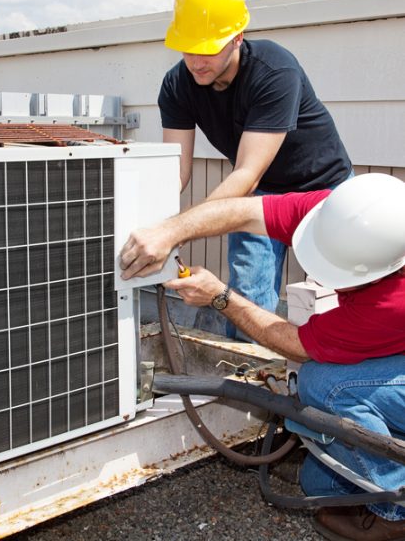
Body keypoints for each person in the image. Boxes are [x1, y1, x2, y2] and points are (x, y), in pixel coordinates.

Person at [119, 173, 405, 541]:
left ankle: (395, 512)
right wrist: (170, 231)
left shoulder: (391, 303)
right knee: (318, 483)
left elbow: (296, 344)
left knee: (327, 387)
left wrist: (221, 297)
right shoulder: (347, 214)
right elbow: (241, 211)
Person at [159, 0, 353, 339]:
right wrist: (154, 224)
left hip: (325, 190)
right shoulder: (177, 84)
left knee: (349, 291)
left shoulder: (274, 70)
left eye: (210, 48)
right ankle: (249, 384)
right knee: (246, 296)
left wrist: (176, 231)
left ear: (237, 38)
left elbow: (246, 172)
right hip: (261, 194)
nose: (197, 61)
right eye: (189, 48)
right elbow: (176, 171)